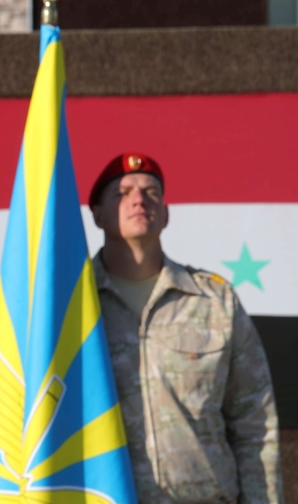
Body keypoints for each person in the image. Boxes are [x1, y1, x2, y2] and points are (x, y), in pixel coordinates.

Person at [89, 153, 282, 503]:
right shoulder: (74, 307)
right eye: (122, 193)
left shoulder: (213, 301)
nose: (139, 200)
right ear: (97, 215)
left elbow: (254, 421)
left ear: (165, 214)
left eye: (151, 192)